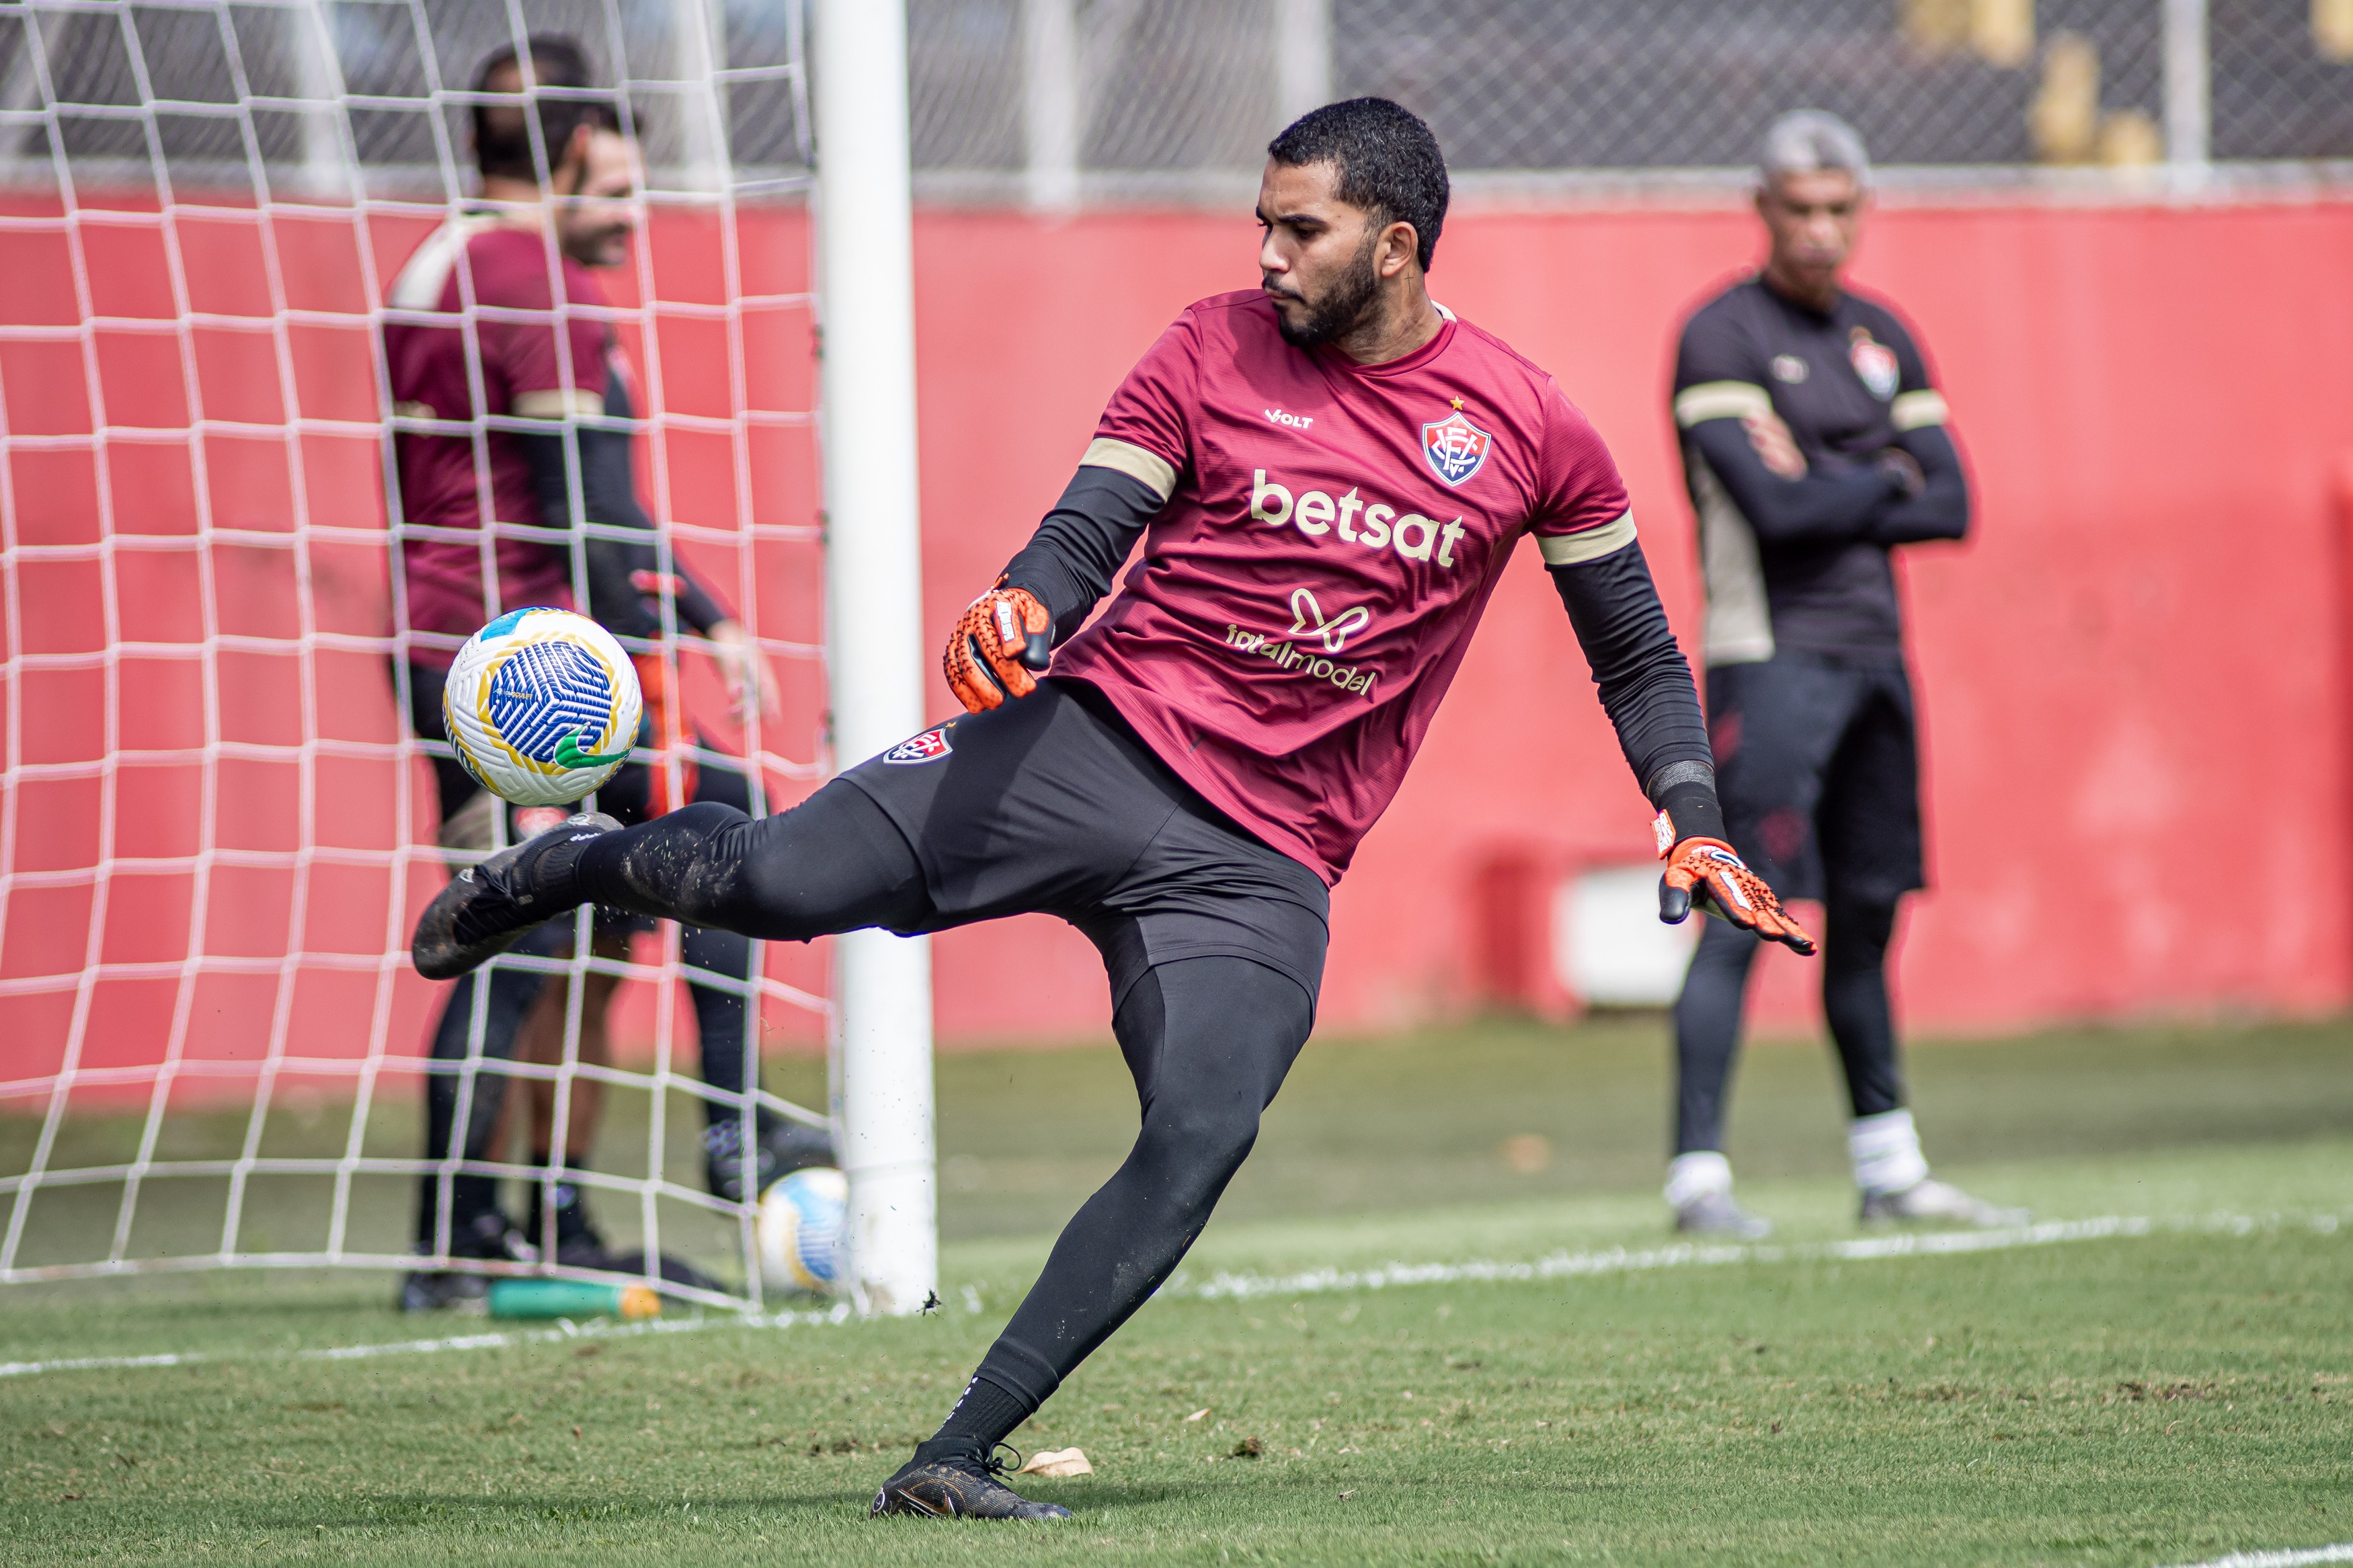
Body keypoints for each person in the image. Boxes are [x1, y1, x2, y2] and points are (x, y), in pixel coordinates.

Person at [412, 97, 1812, 1518]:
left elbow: (1634, 649)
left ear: (1394, 247)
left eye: (1299, 228)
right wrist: (1027, 596)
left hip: (1259, 864)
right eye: (1260, 221)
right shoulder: (1207, 346)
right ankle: (569, 861)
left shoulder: (1531, 428)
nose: (1265, 252)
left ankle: (952, 1453)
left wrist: (1686, 810)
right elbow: (1092, 524)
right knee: (775, 885)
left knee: (1203, 1131)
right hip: (1084, 746)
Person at [384, 36, 823, 1310]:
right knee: (695, 829)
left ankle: (544, 1218)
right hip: (525, 668)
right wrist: (710, 617)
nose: (635, 215)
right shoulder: (533, 284)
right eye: (619, 188)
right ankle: (713, 1138)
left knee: (586, 928)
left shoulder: (441, 261)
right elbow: (596, 503)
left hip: (465, 646)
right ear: (566, 160)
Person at [1661, 110, 2022, 1239]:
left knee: (1867, 912)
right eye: (1799, 209)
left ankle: (1889, 1166)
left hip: (1875, 660)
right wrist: (1882, 472)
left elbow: (1955, 503)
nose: (1820, 231)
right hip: (1768, 655)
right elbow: (1773, 510)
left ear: (1860, 211)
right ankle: (1699, 1179)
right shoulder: (1718, 335)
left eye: (1838, 209)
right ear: (1762, 210)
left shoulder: (1884, 334)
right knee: (1740, 911)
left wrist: (1829, 474)